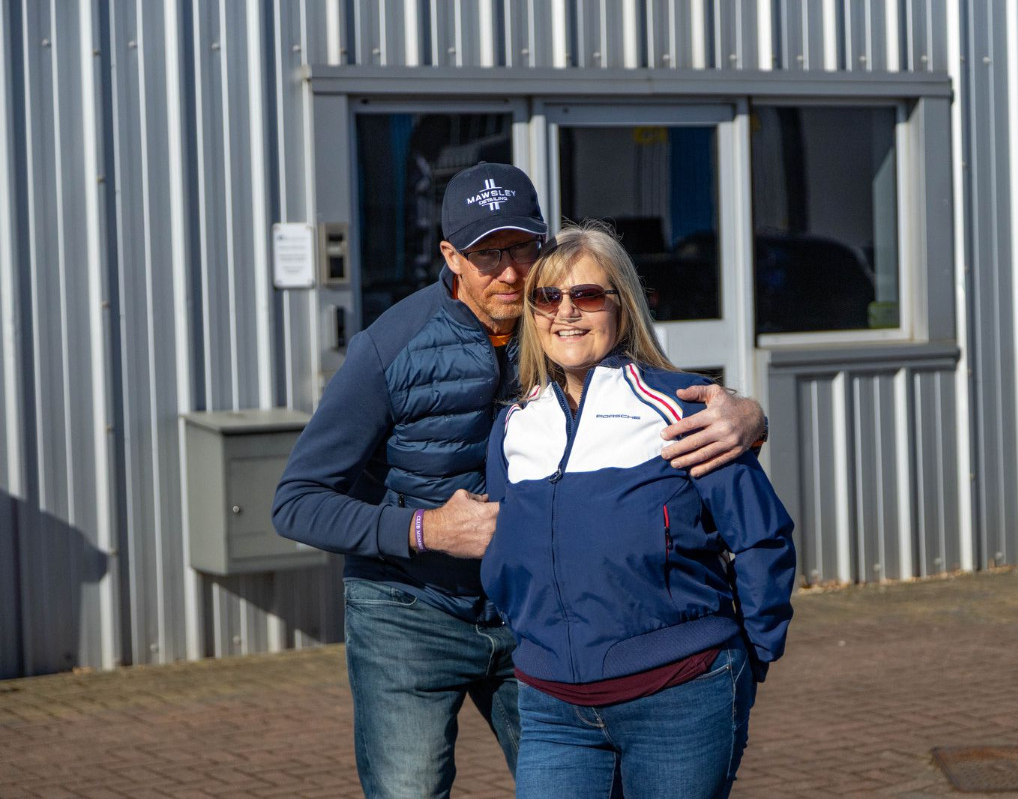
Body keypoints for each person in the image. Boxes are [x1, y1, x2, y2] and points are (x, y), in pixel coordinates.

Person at [272, 163, 767, 799]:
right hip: (409, 612)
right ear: (451, 256)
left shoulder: (561, 324)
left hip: (532, 618)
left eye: (523, 248)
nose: (510, 272)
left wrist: (747, 414)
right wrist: (425, 529)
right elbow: (297, 503)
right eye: (488, 254)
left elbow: (656, 390)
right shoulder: (387, 348)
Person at [481, 221, 796, 799]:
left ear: (621, 306)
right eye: (547, 297)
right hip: (553, 708)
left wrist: (754, 654)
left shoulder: (684, 408)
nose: (566, 312)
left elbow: (761, 537)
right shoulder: (514, 425)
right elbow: (505, 551)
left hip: (680, 695)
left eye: (587, 295)